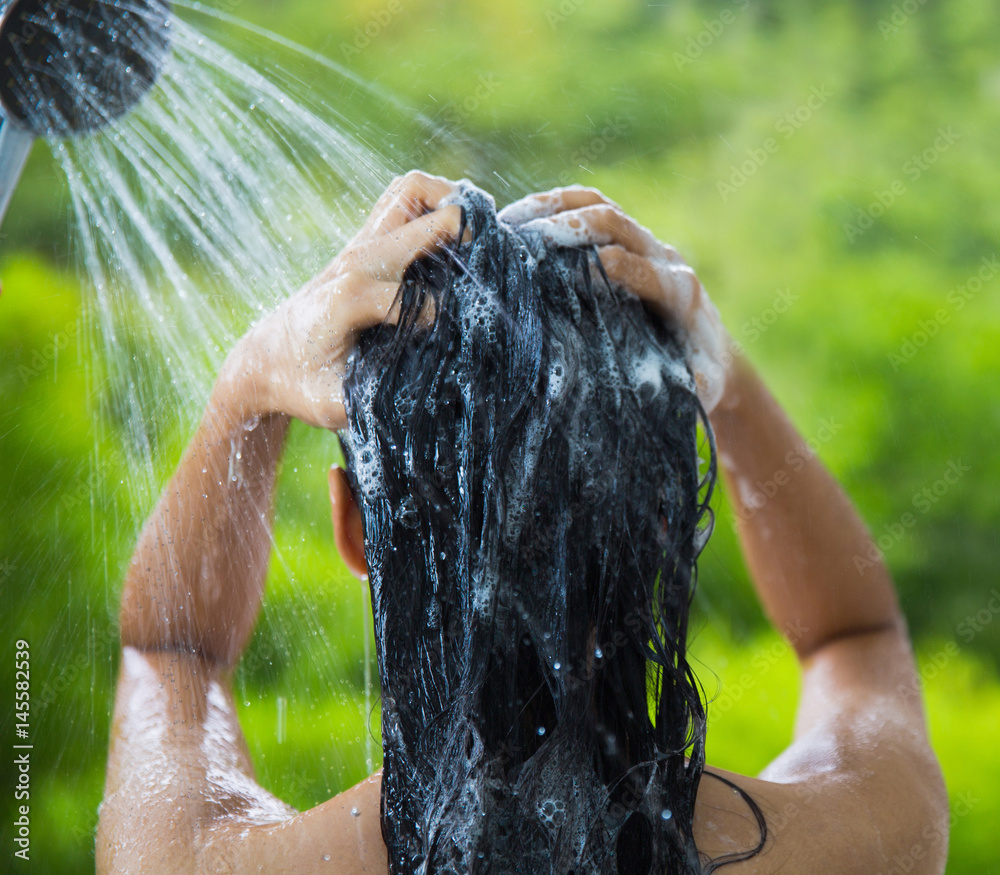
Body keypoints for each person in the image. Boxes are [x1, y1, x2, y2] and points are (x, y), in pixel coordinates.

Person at [96, 171, 948, 874]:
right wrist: (717, 369)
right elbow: (855, 633)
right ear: (662, 522)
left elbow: (172, 649)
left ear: (355, 529)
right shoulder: (856, 839)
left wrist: (254, 373)